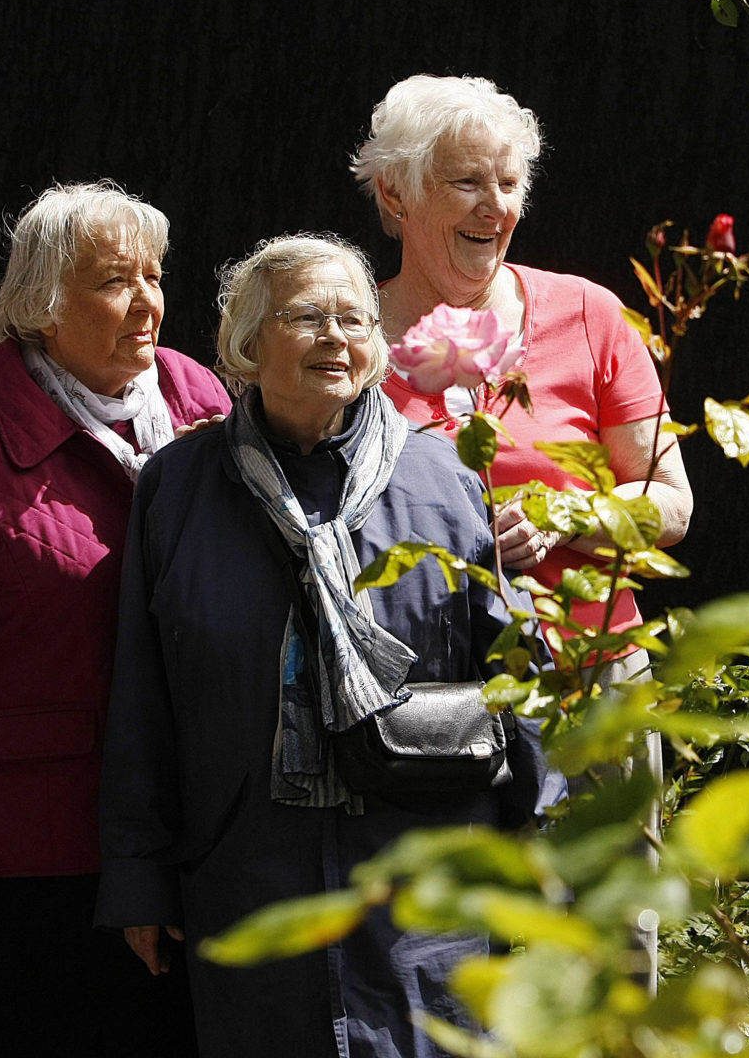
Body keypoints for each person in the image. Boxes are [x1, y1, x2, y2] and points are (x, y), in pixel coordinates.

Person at [96, 234, 523, 1057]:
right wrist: (139, 874)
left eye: (355, 319)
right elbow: (143, 695)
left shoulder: (442, 479)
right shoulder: (179, 486)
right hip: (249, 871)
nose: (337, 337)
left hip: (422, 881)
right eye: (308, 317)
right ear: (246, 345)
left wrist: (538, 845)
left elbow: (511, 669)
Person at [0, 182, 226, 1055]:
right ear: (41, 304)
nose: (147, 299)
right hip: (35, 838)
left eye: (154, 274)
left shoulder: (203, 402)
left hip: (194, 820)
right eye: (116, 280)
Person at [350, 72, 693, 652]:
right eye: (468, 182)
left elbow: (671, 503)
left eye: (510, 184)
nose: (498, 207)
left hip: (590, 680)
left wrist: (563, 514)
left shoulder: (588, 313)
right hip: (421, 693)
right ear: (393, 193)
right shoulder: (348, 342)